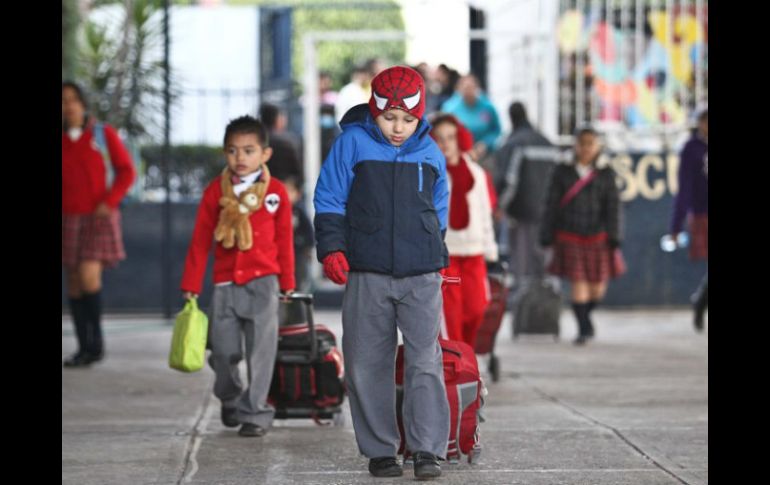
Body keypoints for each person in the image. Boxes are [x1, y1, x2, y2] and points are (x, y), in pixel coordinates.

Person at [314, 66, 450, 479]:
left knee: (425, 359)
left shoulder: (430, 151)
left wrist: (431, 244)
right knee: (367, 360)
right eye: (389, 117)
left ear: (419, 116)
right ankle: (381, 450)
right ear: (373, 109)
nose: (398, 128)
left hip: (421, 274)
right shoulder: (351, 143)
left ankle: (427, 450)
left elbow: (440, 207)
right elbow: (330, 196)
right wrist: (333, 248)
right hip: (368, 271)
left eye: (408, 120)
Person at [180, 115, 295, 437]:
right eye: (232, 151)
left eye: (248, 150)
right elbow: (201, 240)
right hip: (226, 284)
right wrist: (191, 284)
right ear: (224, 153)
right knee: (223, 351)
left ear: (264, 154)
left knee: (261, 353)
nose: (240, 158)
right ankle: (230, 396)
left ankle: (256, 414)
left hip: (264, 283)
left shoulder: (275, 193)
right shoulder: (216, 191)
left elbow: (284, 239)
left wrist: (287, 282)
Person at [62, 81, 136, 368]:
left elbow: (126, 171)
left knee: (89, 276)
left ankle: (97, 344)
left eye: (72, 99)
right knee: (74, 284)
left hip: (99, 217)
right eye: (63, 100)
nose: (68, 105)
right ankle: (83, 348)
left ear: (83, 103)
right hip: (68, 220)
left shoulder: (103, 135)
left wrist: (112, 200)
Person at [540, 127, 625, 345]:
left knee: (597, 288)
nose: (586, 148)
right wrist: (546, 233)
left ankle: (586, 316)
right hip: (569, 235)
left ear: (598, 146)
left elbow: (613, 207)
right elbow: (551, 204)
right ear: (575, 145)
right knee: (579, 283)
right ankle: (583, 327)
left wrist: (614, 235)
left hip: (598, 236)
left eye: (591, 143)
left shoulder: (606, 172)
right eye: (582, 143)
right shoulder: (562, 170)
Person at [430, 113, 498, 349]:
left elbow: (484, 212)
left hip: (474, 253)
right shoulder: (428, 173)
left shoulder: (477, 174)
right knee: (451, 314)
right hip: (446, 256)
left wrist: (491, 250)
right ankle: (456, 365)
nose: (446, 143)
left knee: (477, 309)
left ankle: (466, 359)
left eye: (450, 137)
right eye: (439, 138)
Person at [494, 102, 560, 288]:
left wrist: (501, 206)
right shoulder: (547, 142)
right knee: (543, 264)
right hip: (547, 213)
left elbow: (509, 180)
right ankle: (544, 306)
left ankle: (523, 306)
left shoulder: (515, 143)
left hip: (522, 213)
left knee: (522, 264)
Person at [669, 109, 708, 331]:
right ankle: (701, 301)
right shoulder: (691, 149)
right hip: (703, 214)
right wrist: (676, 225)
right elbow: (684, 189)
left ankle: (701, 300)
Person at [440, 74, 502, 162]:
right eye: (465, 88)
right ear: (459, 89)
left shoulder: (487, 106)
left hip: (485, 155)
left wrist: (485, 143)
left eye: (471, 87)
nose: (469, 91)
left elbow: (496, 130)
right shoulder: (449, 108)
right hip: (459, 156)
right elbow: (443, 132)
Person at [259, 103, 303, 186]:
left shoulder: (255, 141)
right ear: (276, 119)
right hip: (283, 188)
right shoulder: (287, 142)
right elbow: (298, 171)